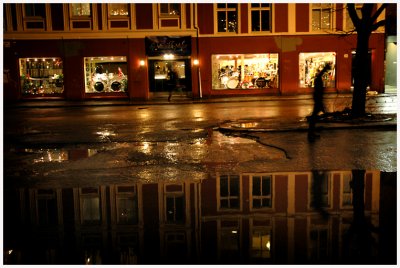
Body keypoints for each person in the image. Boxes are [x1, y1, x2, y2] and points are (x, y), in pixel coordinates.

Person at [308, 63, 331, 141]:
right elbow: (320, 75)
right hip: (318, 99)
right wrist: (325, 68)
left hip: (318, 99)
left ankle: (311, 133)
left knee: (314, 117)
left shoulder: (318, 79)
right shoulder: (318, 79)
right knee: (314, 117)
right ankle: (310, 134)